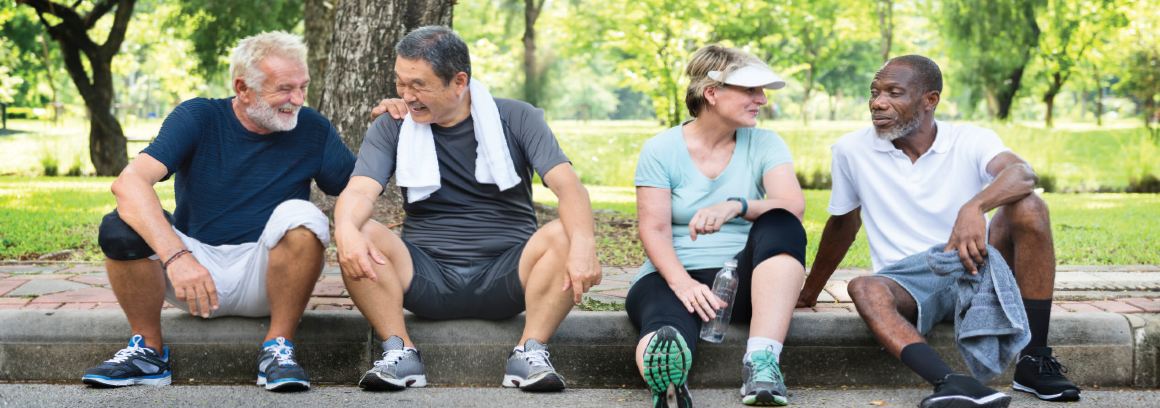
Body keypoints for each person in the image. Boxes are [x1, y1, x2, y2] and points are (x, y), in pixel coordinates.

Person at [797, 55, 1081, 408]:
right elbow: (843, 223)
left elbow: (1023, 173)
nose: (877, 102)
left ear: (929, 100)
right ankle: (953, 383)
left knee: (1030, 206)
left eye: (893, 92)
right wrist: (809, 292)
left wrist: (973, 207)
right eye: (874, 92)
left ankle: (1033, 361)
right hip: (910, 281)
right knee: (863, 286)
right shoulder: (850, 150)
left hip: (977, 266)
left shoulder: (971, 139)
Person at [83, 32, 355, 392]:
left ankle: (278, 349)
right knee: (120, 225)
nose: (298, 100)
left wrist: (394, 122)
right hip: (193, 272)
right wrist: (177, 256)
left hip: (268, 275)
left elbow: (359, 188)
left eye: (303, 87)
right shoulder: (199, 116)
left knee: (302, 216)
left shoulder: (312, 128)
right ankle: (148, 353)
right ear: (243, 89)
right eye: (285, 89)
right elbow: (129, 184)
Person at [334, 26, 601, 392]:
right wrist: (345, 230)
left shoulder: (518, 118)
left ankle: (530, 352)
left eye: (418, 85)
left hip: (508, 277)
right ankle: (399, 351)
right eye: (400, 83)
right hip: (426, 278)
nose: (406, 96)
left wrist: (585, 241)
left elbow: (567, 185)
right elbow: (361, 192)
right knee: (358, 230)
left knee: (566, 233)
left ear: (459, 81)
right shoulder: (393, 125)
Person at [628, 44, 807, 408]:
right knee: (665, 328)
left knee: (781, 222)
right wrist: (683, 283)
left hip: (747, 283)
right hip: (673, 276)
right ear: (711, 93)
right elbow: (654, 229)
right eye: (750, 90)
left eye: (762, 91)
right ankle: (667, 385)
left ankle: (762, 363)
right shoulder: (660, 149)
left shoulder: (765, 143)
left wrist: (736, 206)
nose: (761, 99)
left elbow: (793, 205)